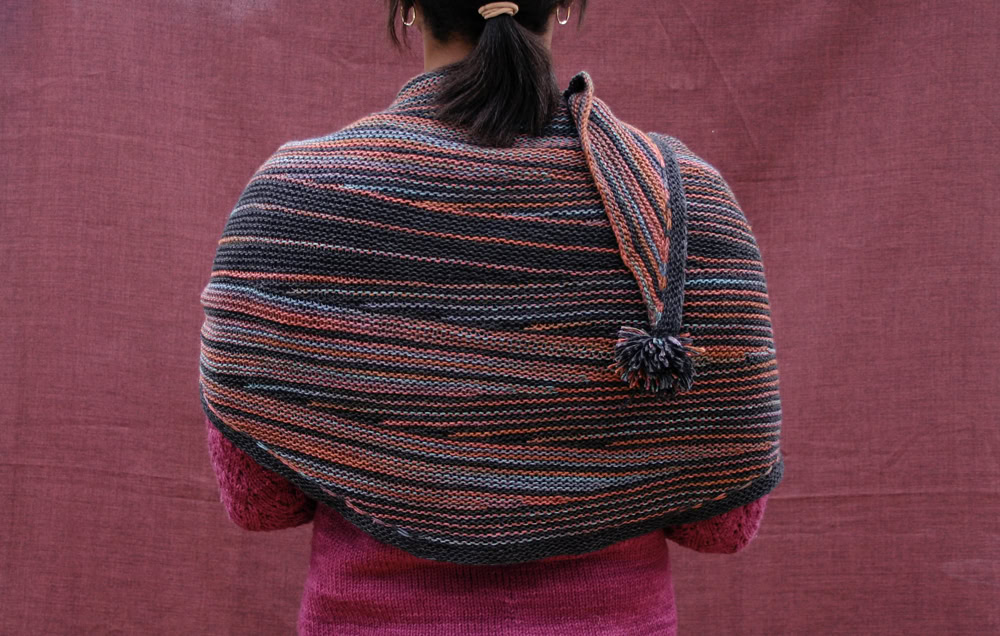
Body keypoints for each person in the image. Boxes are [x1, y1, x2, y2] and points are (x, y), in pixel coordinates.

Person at [201, 1, 782, 633]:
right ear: (565, 3)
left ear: (409, 6)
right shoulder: (686, 204)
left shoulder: (290, 206)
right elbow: (722, 525)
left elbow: (259, 504)